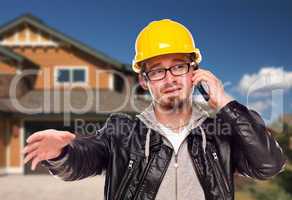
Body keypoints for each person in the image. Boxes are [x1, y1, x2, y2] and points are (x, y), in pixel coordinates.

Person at [23, 19, 286, 200]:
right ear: (144, 80)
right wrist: (62, 153)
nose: (170, 78)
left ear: (194, 71)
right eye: (158, 70)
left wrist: (225, 103)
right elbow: (85, 158)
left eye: (179, 66)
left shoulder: (220, 135)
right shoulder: (121, 131)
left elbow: (269, 164)